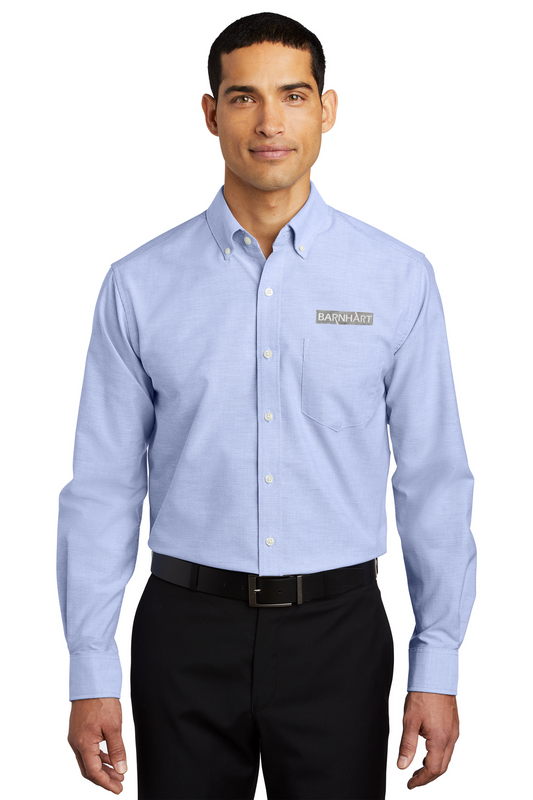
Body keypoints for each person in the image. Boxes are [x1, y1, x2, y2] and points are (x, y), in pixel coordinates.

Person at [57, 11, 476, 800]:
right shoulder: (139, 284)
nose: (269, 122)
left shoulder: (397, 278)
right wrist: (90, 669)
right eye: (243, 97)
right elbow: (104, 487)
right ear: (210, 113)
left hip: (339, 633)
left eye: (293, 94)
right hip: (184, 632)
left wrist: (437, 662)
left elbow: (433, 478)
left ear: (327, 109)